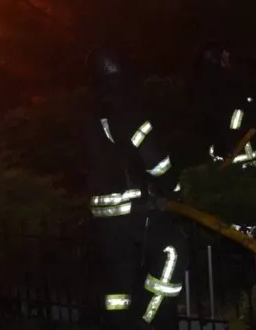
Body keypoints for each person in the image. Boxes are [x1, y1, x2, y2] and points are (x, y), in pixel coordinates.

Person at [85, 48, 188, 330]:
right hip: (130, 208)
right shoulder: (125, 104)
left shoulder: (92, 110)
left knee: (119, 285)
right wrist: (174, 188)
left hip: (103, 215)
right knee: (172, 250)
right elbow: (153, 157)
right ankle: (148, 322)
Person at [191, 41, 256, 169]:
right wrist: (254, 117)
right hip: (235, 157)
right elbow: (233, 116)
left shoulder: (214, 81)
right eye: (225, 55)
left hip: (235, 155)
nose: (229, 58)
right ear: (217, 58)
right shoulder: (220, 82)